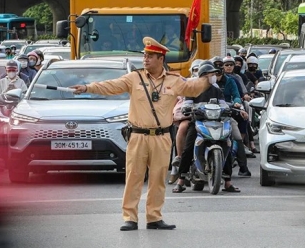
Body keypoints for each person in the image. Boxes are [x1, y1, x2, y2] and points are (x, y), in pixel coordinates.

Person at [70, 37, 212, 231]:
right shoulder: (134, 78)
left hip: (162, 137)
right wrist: (88, 87)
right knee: (134, 177)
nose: (145, 59)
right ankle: (130, 217)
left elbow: (193, 88)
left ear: (161, 58)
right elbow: (112, 86)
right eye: (144, 55)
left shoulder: (174, 80)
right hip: (137, 135)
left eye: (150, 56)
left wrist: (207, 78)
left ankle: (154, 217)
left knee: (158, 179)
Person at [171, 62, 241, 193]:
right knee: (188, 148)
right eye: (212, 74)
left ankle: (228, 182)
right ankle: (181, 180)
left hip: (216, 122)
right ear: (203, 76)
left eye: (214, 74)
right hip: (198, 122)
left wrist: (228, 109)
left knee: (227, 144)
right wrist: (188, 108)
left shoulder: (216, 90)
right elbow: (187, 103)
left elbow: (223, 104)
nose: (214, 76)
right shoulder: (192, 88)